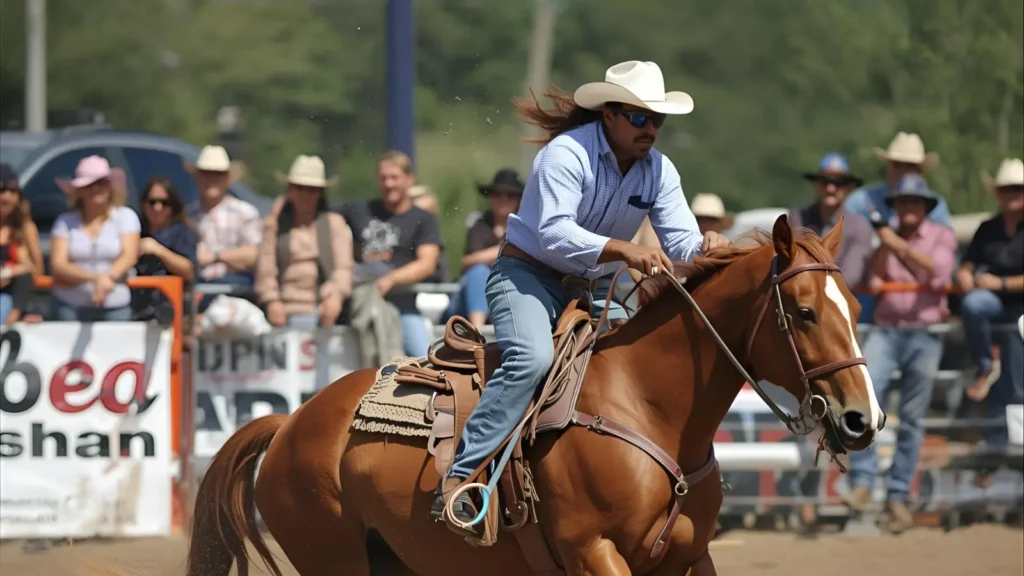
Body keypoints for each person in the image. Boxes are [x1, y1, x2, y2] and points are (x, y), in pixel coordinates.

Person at [434, 60, 731, 524]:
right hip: (525, 275)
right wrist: (625, 250)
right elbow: (553, 234)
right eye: (638, 117)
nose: (649, 127)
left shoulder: (660, 170)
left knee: (632, 374)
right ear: (608, 114)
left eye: (657, 119)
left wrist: (708, 248)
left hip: (585, 288)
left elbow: (683, 243)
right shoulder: (566, 153)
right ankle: (461, 477)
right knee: (530, 359)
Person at [845, 173, 957, 533]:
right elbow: (874, 277)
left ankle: (896, 496)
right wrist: (886, 246)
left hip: (924, 332)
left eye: (914, 202)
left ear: (925, 208)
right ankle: (863, 484)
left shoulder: (942, 236)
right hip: (888, 330)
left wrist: (897, 245)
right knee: (866, 406)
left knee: (912, 420)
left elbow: (939, 273)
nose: (908, 207)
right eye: (903, 202)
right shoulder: (888, 240)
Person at [337, 150, 444, 357]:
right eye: (383, 178)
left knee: (428, 360)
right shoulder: (360, 209)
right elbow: (325, 216)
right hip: (359, 306)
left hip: (402, 306)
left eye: (394, 178)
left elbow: (427, 263)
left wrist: (391, 279)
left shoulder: (423, 219)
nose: (388, 184)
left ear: (409, 180)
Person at [956, 158, 1023, 443]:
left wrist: (1001, 283)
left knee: (1016, 382)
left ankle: (1010, 446)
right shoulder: (987, 228)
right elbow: (967, 264)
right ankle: (985, 363)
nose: (1012, 195)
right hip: (996, 308)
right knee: (973, 304)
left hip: (1021, 314)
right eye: (1007, 189)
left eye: (1017, 189)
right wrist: (963, 276)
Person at [256, 155, 353, 330]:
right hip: (284, 307)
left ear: (320, 193)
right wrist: (271, 300)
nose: (306, 195)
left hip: (323, 308)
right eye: (300, 188)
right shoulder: (274, 224)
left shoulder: (334, 223)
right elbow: (266, 268)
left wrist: (336, 295)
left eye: (312, 190)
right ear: (290, 191)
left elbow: (344, 267)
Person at [50, 155, 141, 321]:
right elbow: (58, 264)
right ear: (79, 191)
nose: (95, 189)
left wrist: (108, 278)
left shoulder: (125, 217)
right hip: (69, 306)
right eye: (89, 185)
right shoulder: (64, 221)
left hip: (115, 306)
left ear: (110, 186)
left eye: (101, 183)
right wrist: (96, 279)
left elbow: (129, 256)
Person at [443, 168, 524, 328]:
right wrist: (505, 250)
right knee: (479, 273)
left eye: (510, 195)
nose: (503, 199)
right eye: (497, 194)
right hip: (468, 302)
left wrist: (490, 254)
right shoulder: (480, 225)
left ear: (519, 199)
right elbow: (466, 263)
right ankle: (477, 333)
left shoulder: (525, 226)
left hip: (510, 296)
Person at [186, 145, 262, 311]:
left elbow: (255, 255)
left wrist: (215, 256)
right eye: (206, 174)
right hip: (197, 287)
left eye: (217, 175)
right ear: (197, 177)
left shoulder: (244, 213)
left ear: (227, 179)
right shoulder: (188, 215)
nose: (211, 180)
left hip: (234, 290)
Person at [788, 153, 874, 286]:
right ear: (816, 185)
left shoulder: (860, 227)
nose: (830, 188)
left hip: (836, 302)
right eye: (825, 182)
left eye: (838, 183)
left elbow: (850, 276)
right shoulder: (797, 219)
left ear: (849, 187)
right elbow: (790, 264)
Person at [132, 176, 198, 324]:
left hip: (168, 311)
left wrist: (159, 250)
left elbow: (189, 271)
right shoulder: (135, 231)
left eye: (164, 203)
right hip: (136, 309)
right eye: (152, 202)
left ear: (173, 206)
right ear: (143, 204)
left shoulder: (181, 232)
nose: (157, 208)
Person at [0, 163, 44, 324]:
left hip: (13, 294)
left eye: (12, 192)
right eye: (2, 191)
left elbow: (37, 269)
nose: (7, 197)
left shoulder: (25, 228)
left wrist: (11, 271)